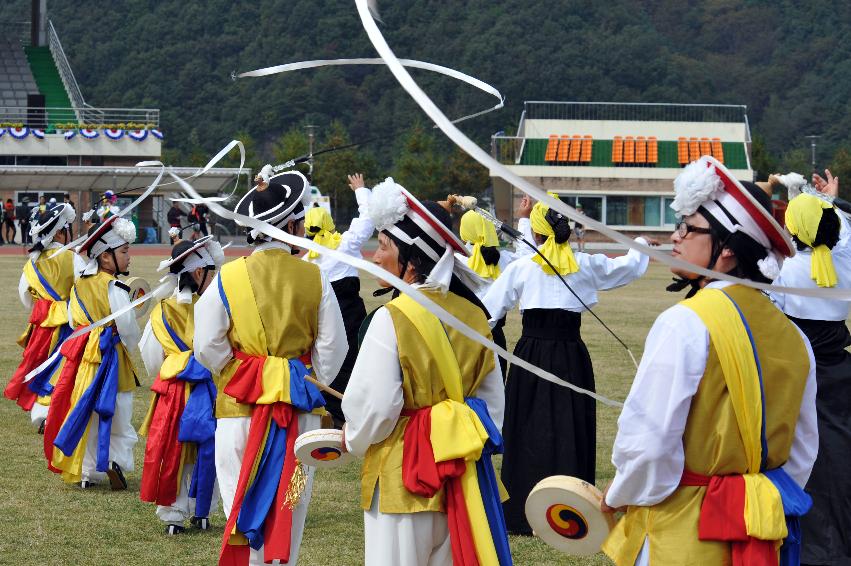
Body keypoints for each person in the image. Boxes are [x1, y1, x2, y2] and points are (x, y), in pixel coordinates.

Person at [601, 156, 818, 565]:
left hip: (682, 529)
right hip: (760, 532)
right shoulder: (796, 337)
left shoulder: (685, 322)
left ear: (729, 251)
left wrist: (620, 495)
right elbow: (803, 452)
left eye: (689, 227)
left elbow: (648, 442)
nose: (676, 236)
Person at [342, 177, 510, 566]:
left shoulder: (390, 319)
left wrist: (352, 438)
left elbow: (377, 408)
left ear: (412, 260)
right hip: (462, 480)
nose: (374, 256)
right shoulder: (477, 318)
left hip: (404, 477)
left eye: (383, 247)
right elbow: (492, 407)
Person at [193, 169, 347, 565]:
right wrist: (302, 378)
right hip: (297, 415)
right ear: (291, 224)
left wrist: (241, 371)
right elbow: (332, 351)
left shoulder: (227, 276)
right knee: (291, 506)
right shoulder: (315, 276)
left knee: (237, 501)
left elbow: (206, 345)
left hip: (237, 408)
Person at [482, 192, 653, 535]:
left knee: (530, 424)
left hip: (531, 355)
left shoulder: (522, 267)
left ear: (537, 234)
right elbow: (630, 266)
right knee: (567, 425)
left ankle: (522, 511)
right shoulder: (585, 264)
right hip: (570, 355)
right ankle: (572, 508)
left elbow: (487, 311)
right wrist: (639, 241)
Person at [768, 169, 851, 565]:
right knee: (841, 454)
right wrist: (830, 202)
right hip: (839, 372)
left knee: (803, 457)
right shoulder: (846, 263)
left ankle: (810, 544)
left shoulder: (781, 271)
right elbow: (843, 237)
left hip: (799, 377)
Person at [39, 215, 141, 489]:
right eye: (124, 251)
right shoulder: (116, 287)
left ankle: (85, 472)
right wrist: (127, 342)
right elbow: (129, 329)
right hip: (112, 358)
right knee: (118, 411)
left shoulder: (79, 285)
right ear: (106, 258)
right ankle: (115, 461)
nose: (129, 256)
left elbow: (73, 321)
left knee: (86, 411)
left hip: (85, 357)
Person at [139, 236, 225, 535]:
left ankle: (173, 514)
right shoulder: (215, 306)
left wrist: (175, 363)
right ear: (199, 273)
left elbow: (151, 358)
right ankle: (202, 511)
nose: (213, 278)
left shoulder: (160, 311)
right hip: (209, 390)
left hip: (173, 390)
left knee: (173, 450)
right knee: (208, 448)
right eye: (210, 272)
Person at [302, 172, 373, 426]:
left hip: (321, 321)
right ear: (329, 222)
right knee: (358, 362)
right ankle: (358, 413)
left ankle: (332, 413)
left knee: (326, 364)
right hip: (352, 316)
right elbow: (367, 218)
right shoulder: (345, 244)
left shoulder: (303, 263)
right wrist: (360, 190)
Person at [4, 203, 83, 430]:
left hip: (42, 323)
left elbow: (24, 295)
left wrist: (42, 306)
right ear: (60, 231)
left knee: (39, 363)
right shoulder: (72, 258)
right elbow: (82, 288)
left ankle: (41, 412)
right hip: (67, 321)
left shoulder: (33, 262)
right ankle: (50, 410)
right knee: (60, 366)